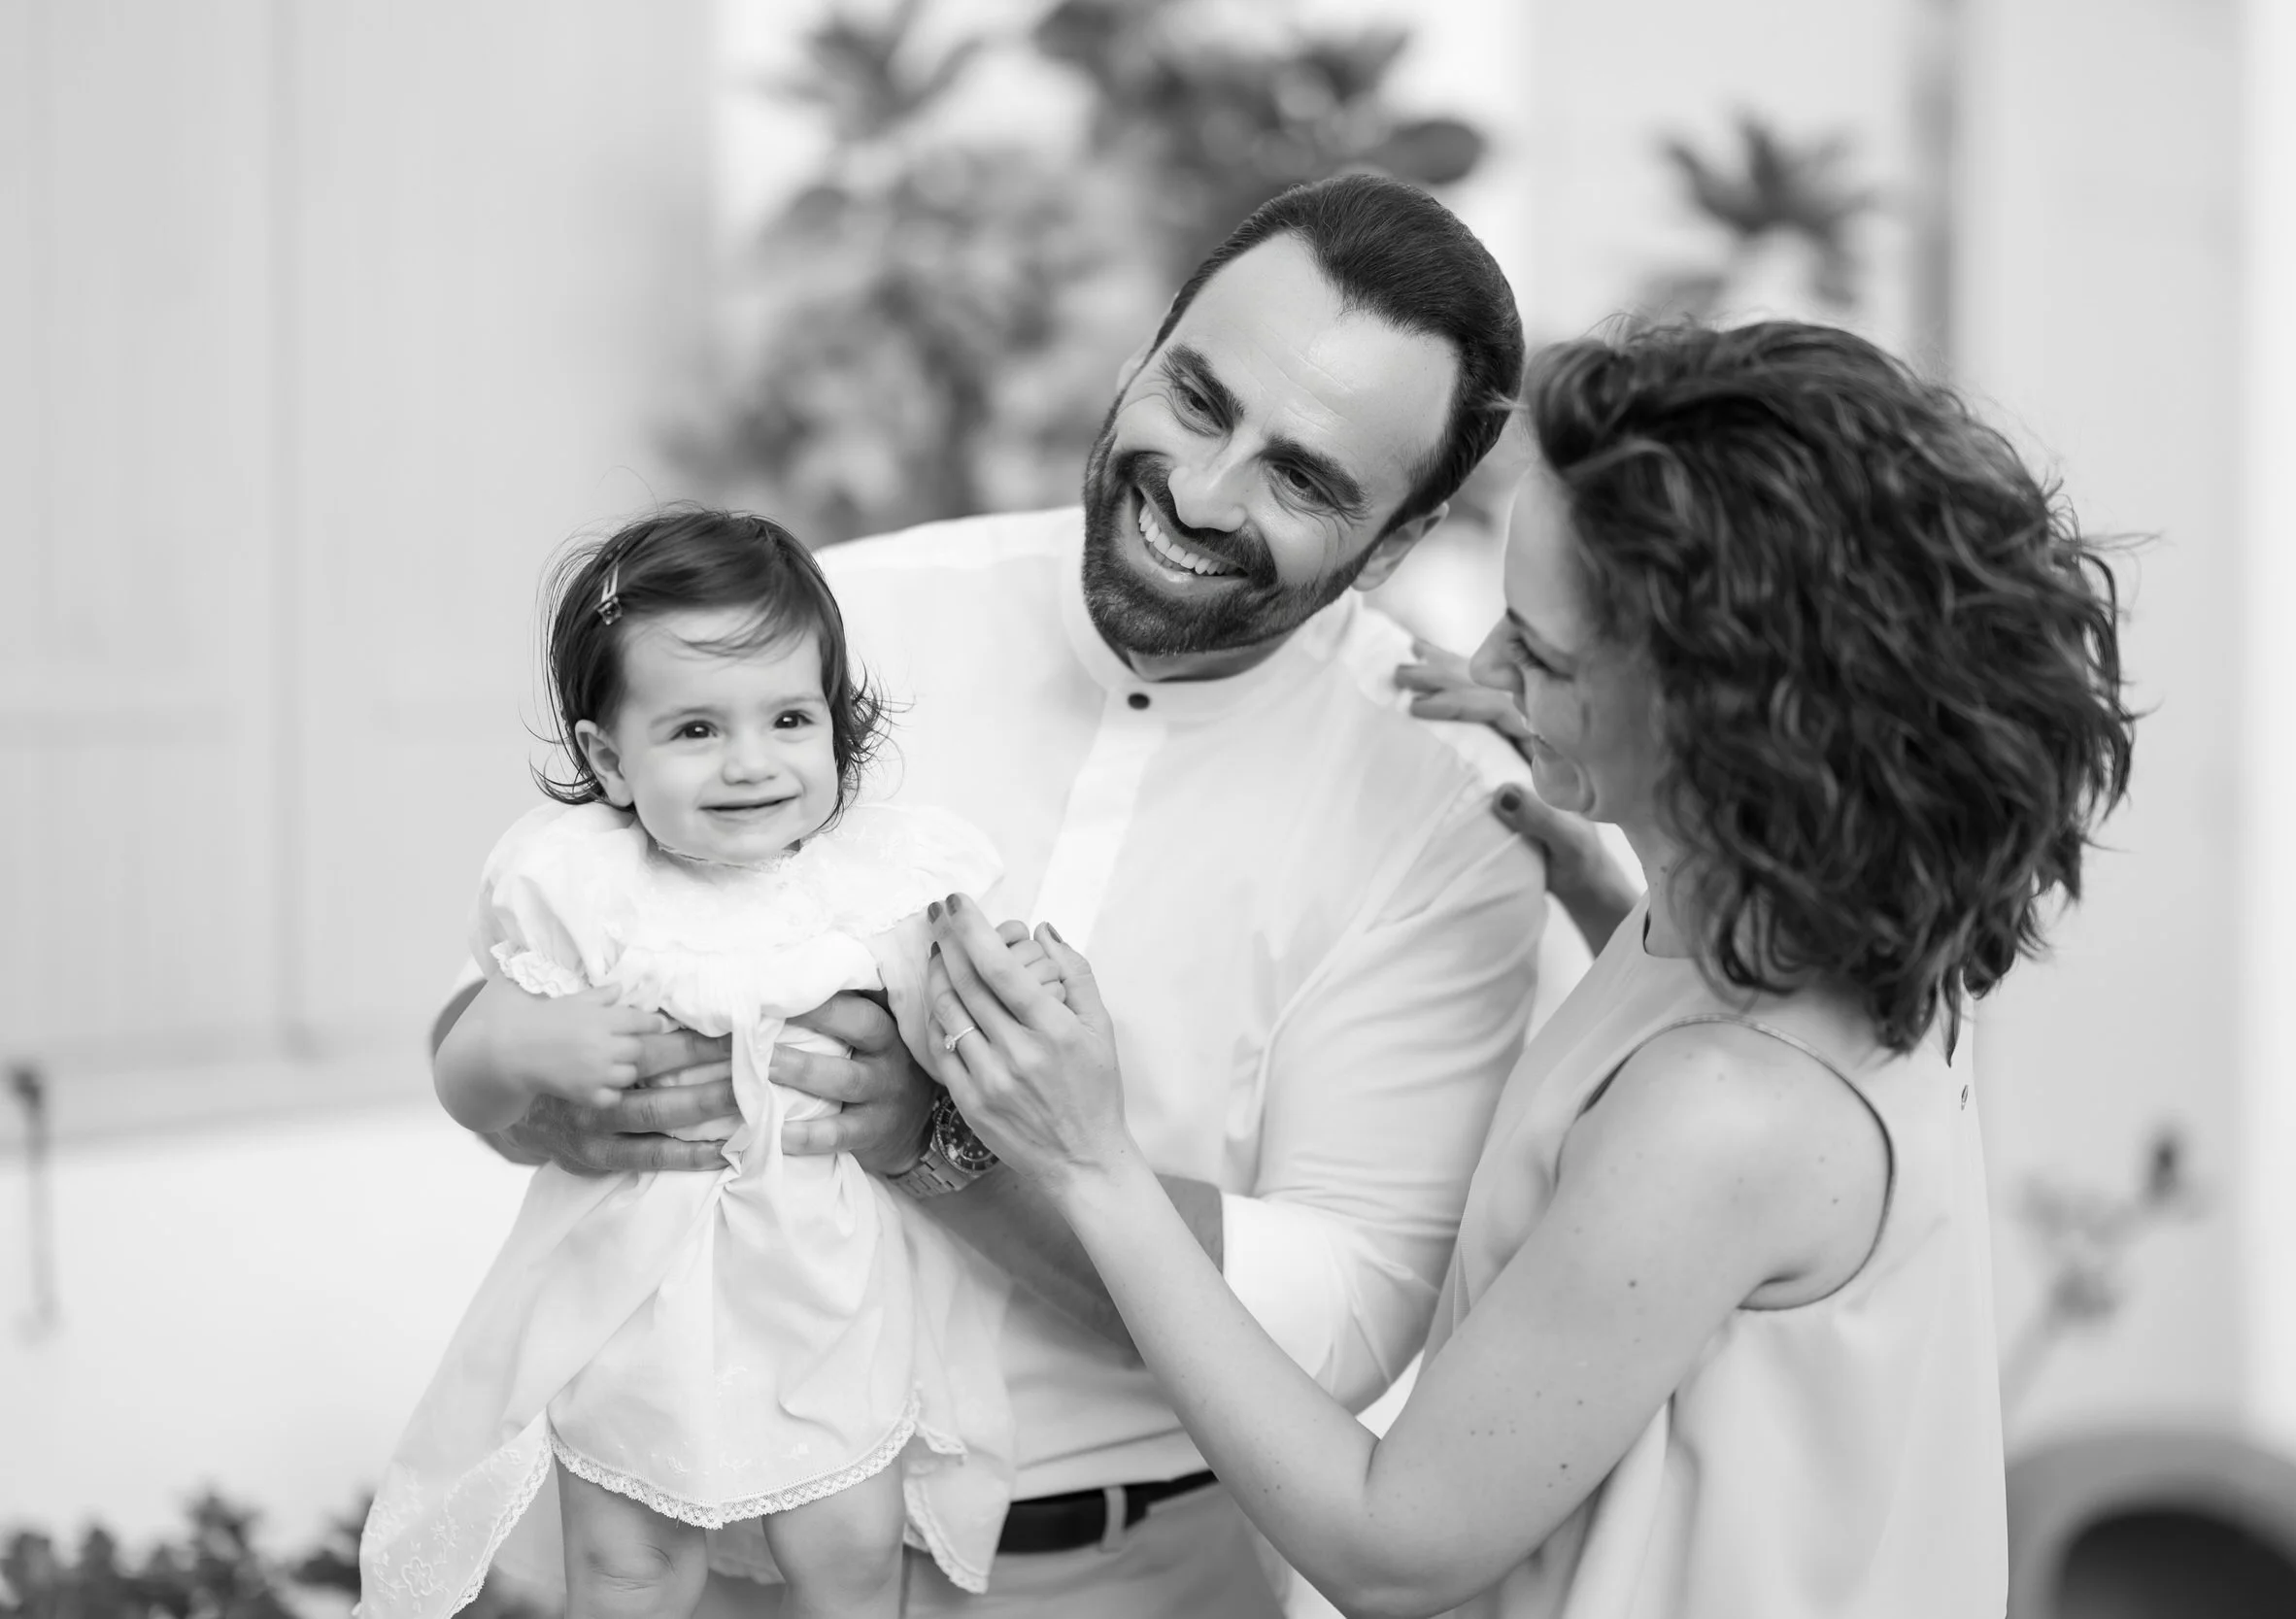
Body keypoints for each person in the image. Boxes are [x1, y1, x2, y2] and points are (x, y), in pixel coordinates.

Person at [430, 174, 1543, 1617]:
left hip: (1130, 1574)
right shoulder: (844, 622)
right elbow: (524, 986)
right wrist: (512, 1070)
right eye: (1199, 401)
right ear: (1143, 357)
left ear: (1393, 541)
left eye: (1304, 477)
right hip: (702, 1546)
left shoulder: (1445, 817)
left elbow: (1341, 1318)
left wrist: (943, 1141)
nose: (1202, 493)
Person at [922, 320, 2137, 1618]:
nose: (1486, 670)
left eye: (1541, 657)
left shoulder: (1723, 1109)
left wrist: (1089, 1160)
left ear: (1727, 727)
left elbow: (1394, 1545)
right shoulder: (1804, 935)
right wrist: (1601, 844)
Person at [363, 510, 1036, 1619]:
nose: (751, 762)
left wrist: (998, 993)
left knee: (854, 1550)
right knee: (630, 1568)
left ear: (836, 726)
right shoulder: (583, 890)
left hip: (826, 1285)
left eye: (787, 717)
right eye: (693, 730)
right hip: (635, 1293)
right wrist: (527, 1042)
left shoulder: (876, 882)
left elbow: (966, 1030)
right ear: (606, 759)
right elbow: (468, 1075)